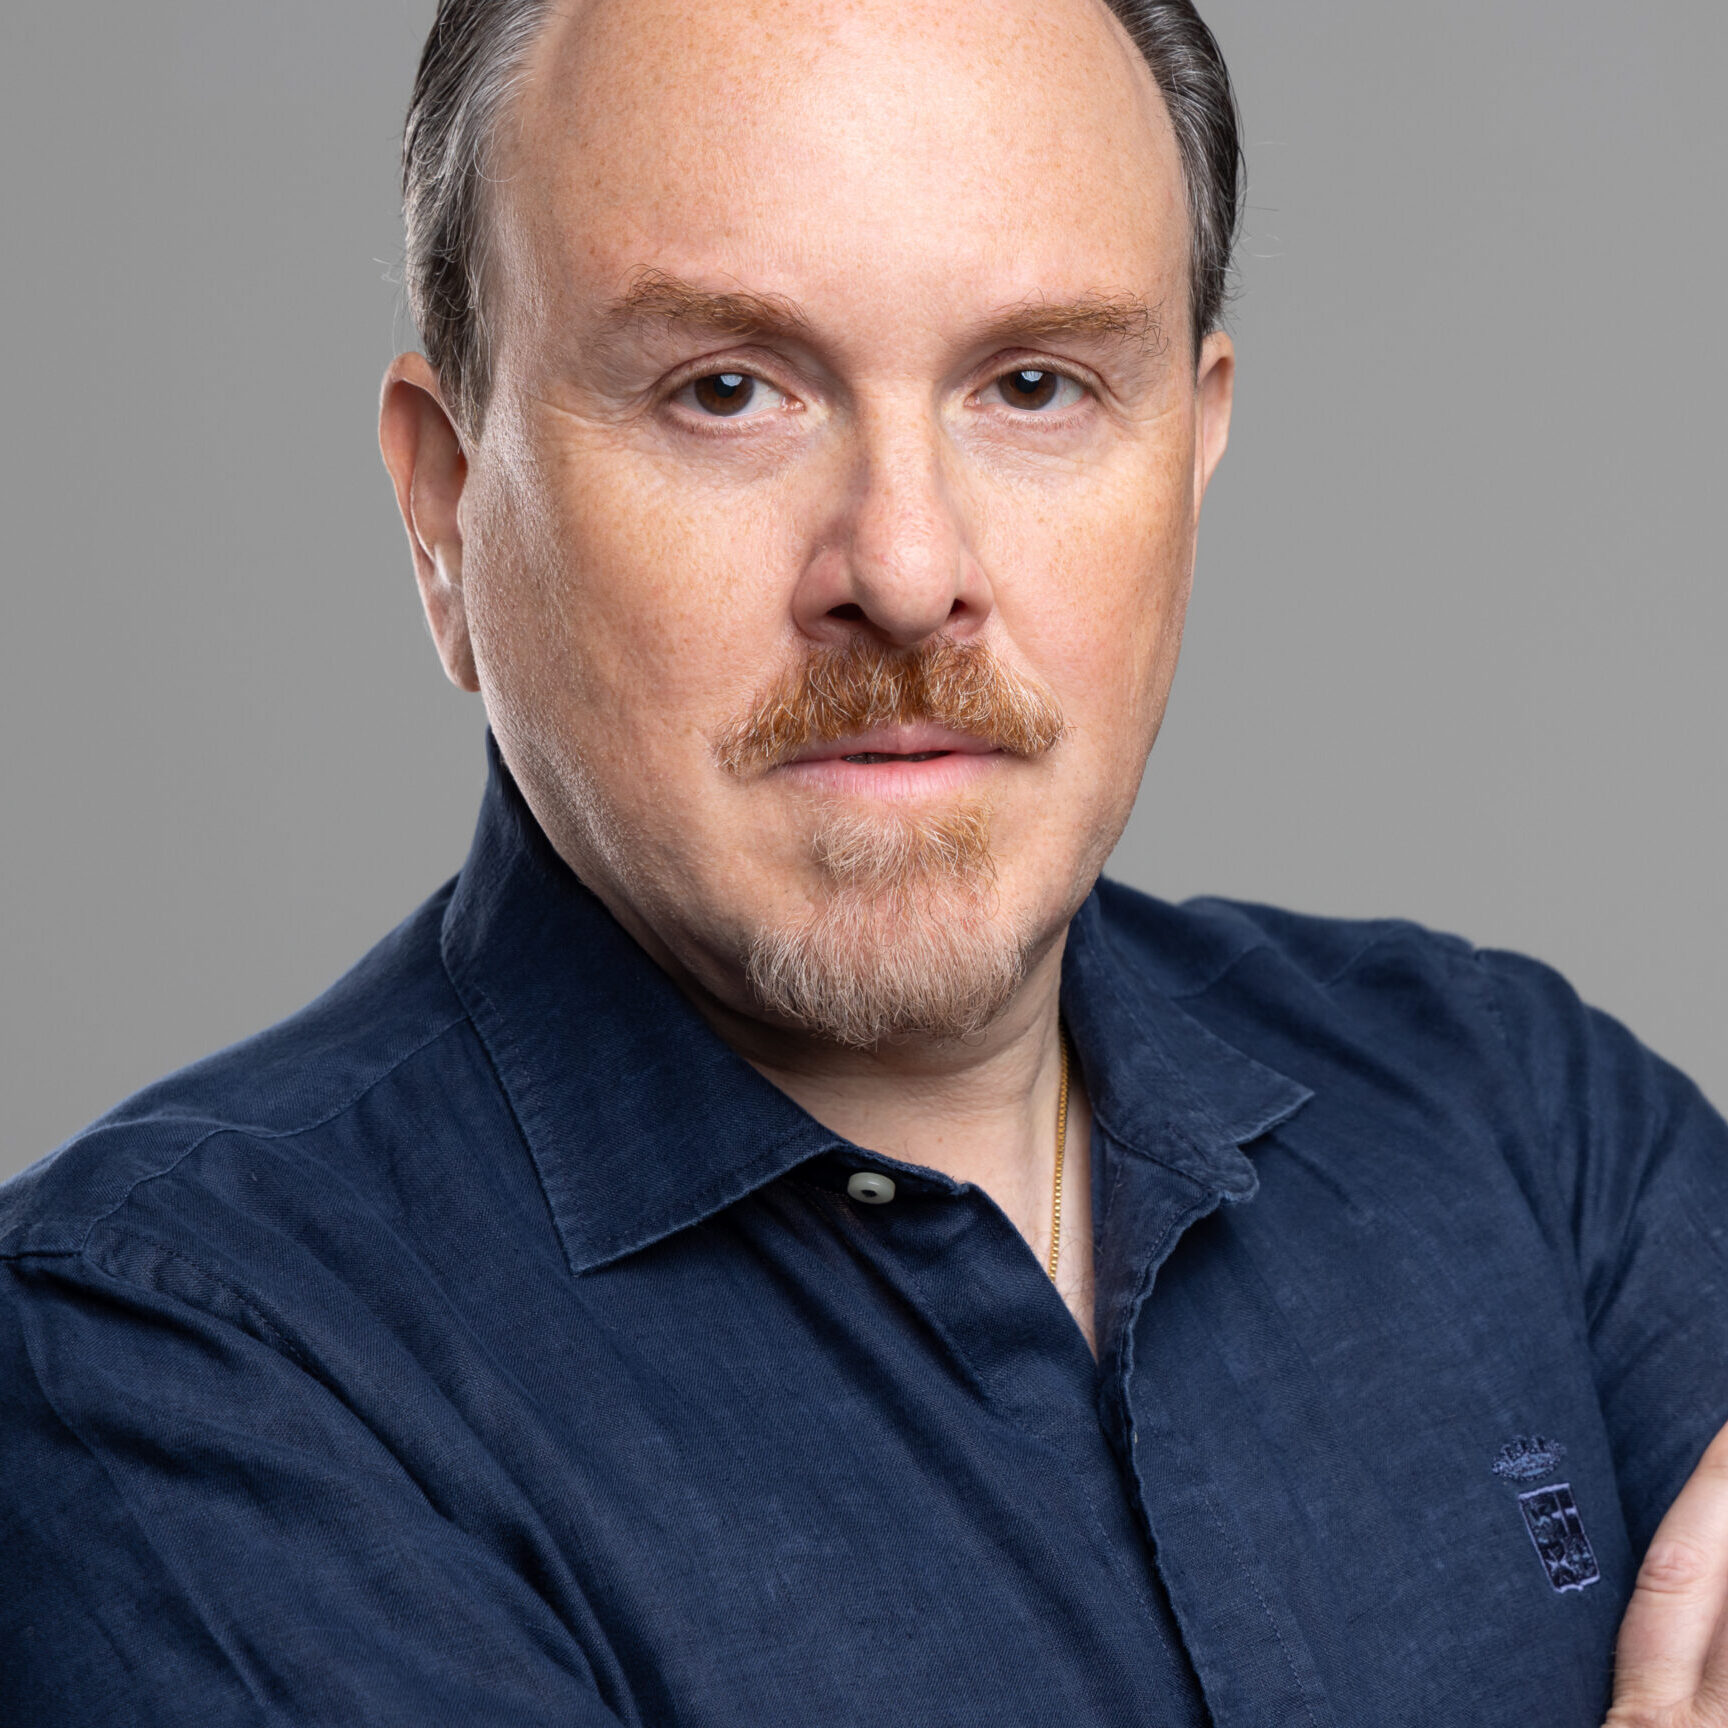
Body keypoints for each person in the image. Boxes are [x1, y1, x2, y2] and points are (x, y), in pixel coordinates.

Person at [2, 0, 1725, 1722]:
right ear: (446, 508)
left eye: (1035, 386)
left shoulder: (1532, 1128)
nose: (904, 572)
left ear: (1191, 458)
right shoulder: (176, 1362)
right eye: (726, 390)